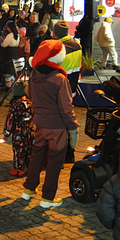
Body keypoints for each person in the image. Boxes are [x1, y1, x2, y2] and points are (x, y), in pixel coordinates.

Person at [23, 40, 79, 208]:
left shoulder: (34, 74)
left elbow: (29, 94)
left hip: (39, 123)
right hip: (56, 127)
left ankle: (29, 189)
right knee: (55, 160)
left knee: (37, 155)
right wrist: (73, 127)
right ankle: (47, 198)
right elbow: (66, 108)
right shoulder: (59, 79)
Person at [4, 81, 34, 177]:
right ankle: (31, 168)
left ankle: (18, 169)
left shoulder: (15, 105)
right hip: (30, 131)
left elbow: (10, 120)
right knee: (30, 149)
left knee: (19, 151)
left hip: (19, 133)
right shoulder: (30, 103)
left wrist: (6, 133)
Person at [52, 20, 82, 98]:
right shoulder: (77, 46)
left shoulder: (57, 48)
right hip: (72, 87)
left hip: (59, 88)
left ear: (55, 34)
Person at [0, 21, 20, 88]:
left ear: (9, 28)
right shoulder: (18, 35)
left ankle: (8, 86)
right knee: (13, 70)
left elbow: (4, 45)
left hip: (9, 53)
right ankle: (13, 85)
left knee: (8, 71)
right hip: (15, 53)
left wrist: (0, 41)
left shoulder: (10, 35)